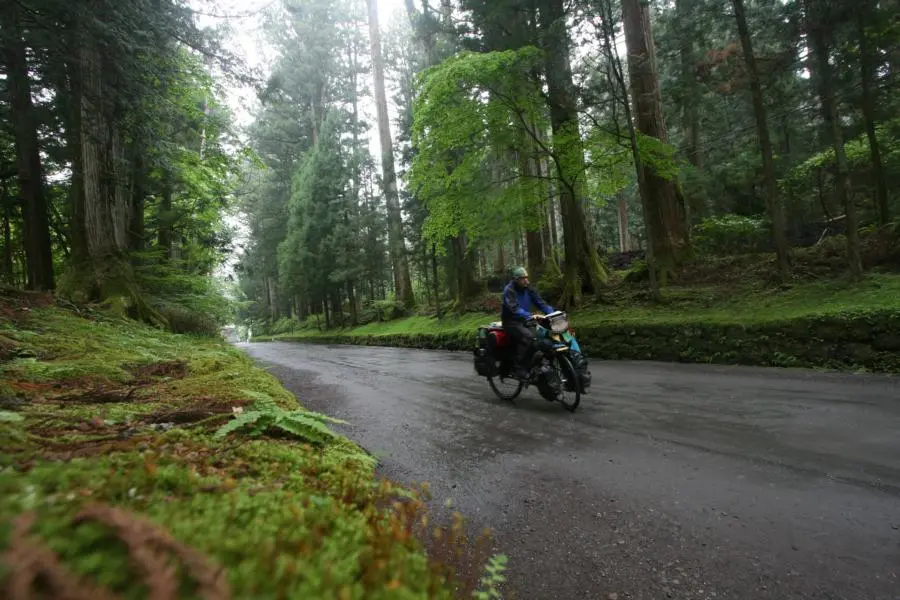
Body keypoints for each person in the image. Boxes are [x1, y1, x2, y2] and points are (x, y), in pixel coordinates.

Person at [501, 266, 554, 380]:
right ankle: (519, 367)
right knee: (528, 338)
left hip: (526, 320)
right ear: (516, 279)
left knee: (544, 336)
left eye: (526, 278)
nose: (526, 280)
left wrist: (552, 314)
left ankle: (539, 363)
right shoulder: (509, 290)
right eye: (522, 278)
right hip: (511, 322)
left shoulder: (529, 288)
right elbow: (514, 309)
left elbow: (541, 303)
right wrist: (530, 315)